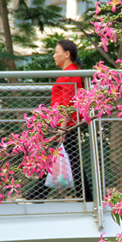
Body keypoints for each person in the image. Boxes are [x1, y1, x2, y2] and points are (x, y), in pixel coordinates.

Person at [51, 39, 93, 202]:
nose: (54, 56)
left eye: (56, 52)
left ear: (67, 54)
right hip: (67, 124)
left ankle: (35, 196)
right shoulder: (69, 72)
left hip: (67, 125)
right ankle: (85, 196)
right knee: (73, 161)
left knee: (63, 159)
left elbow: (69, 103)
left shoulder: (70, 73)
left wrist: (62, 128)